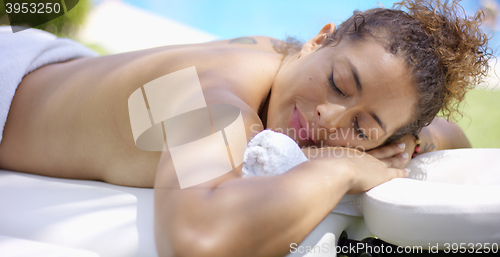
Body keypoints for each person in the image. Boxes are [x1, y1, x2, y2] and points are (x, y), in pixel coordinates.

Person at [0, 0, 491, 256]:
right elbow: (200, 238)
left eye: (361, 127)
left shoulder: (286, 64)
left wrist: (410, 142)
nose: (329, 119)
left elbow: (450, 134)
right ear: (318, 41)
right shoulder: (210, 98)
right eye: (339, 84)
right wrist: (343, 166)